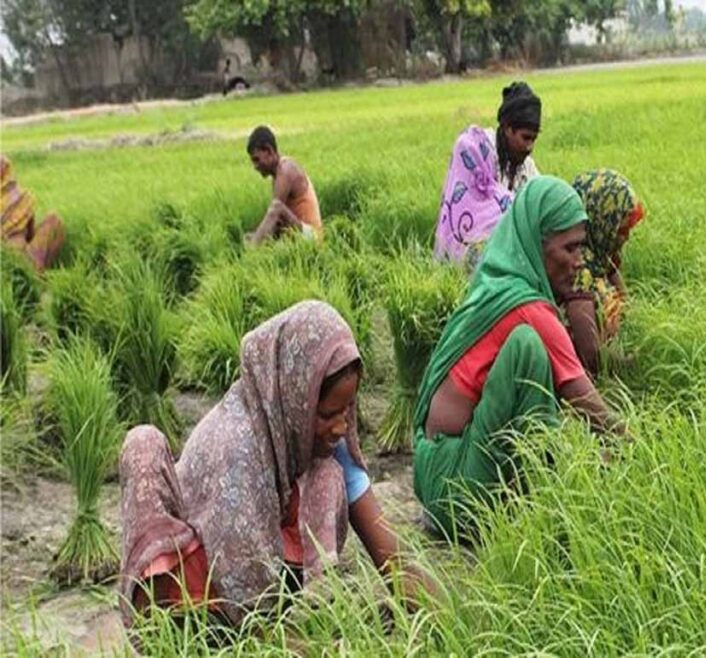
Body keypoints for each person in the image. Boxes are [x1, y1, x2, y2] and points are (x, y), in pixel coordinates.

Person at [119, 301, 434, 629]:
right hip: (199, 600)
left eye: (348, 409)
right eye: (328, 414)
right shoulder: (234, 448)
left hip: (263, 576)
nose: (342, 426)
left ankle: (308, 604)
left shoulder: (311, 434)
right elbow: (250, 609)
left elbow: (391, 555)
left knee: (327, 475)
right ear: (295, 399)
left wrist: (446, 615)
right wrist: (316, 641)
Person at [414, 176, 624, 541]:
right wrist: (641, 450)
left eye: (581, 248)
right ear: (535, 244)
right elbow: (589, 404)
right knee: (527, 348)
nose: (579, 262)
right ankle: (543, 496)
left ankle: (533, 489)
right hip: (458, 489)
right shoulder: (527, 309)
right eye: (569, 248)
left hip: (436, 475)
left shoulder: (495, 283)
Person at [433, 81, 542, 265]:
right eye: (525, 138)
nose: (529, 147)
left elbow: (540, 201)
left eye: (534, 139)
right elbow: (469, 209)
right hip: (470, 250)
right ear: (507, 128)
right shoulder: (474, 148)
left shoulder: (526, 166)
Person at [563, 169, 646, 377]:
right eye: (621, 230)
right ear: (600, 221)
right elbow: (589, 355)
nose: (626, 237)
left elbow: (626, 302)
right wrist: (636, 365)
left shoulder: (600, 254)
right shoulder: (577, 268)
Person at [245, 126, 322, 244]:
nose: (255, 166)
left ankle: (251, 251)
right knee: (253, 234)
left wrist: (255, 242)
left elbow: (275, 211)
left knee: (276, 208)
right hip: (299, 234)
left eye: (257, 160)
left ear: (269, 150)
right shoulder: (277, 174)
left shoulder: (285, 170)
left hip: (312, 237)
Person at [1, 155, 65, 271]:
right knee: (54, 220)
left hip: (8, 261)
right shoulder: (21, 199)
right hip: (21, 259)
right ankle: (34, 273)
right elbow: (30, 234)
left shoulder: (19, 199)